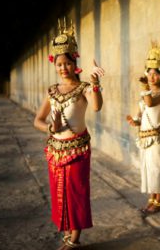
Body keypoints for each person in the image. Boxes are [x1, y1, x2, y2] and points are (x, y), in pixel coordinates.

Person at [33, 18, 105, 249]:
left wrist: (95, 84)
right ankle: (67, 234)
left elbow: (96, 107)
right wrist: (50, 129)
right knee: (59, 192)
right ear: (55, 65)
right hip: (56, 150)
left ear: (75, 63)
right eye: (59, 64)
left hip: (78, 150)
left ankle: (74, 239)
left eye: (67, 63)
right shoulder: (52, 91)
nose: (63, 68)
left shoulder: (83, 88)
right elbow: (38, 120)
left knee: (76, 193)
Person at [126, 42, 160, 214]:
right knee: (149, 169)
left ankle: (159, 201)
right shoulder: (145, 95)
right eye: (149, 73)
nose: (152, 77)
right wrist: (134, 122)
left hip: (157, 138)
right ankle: (151, 199)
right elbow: (143, 114)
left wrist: (145, 88)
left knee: (157, 169)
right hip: (145, 137)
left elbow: (150, 103)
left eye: (155, 74)